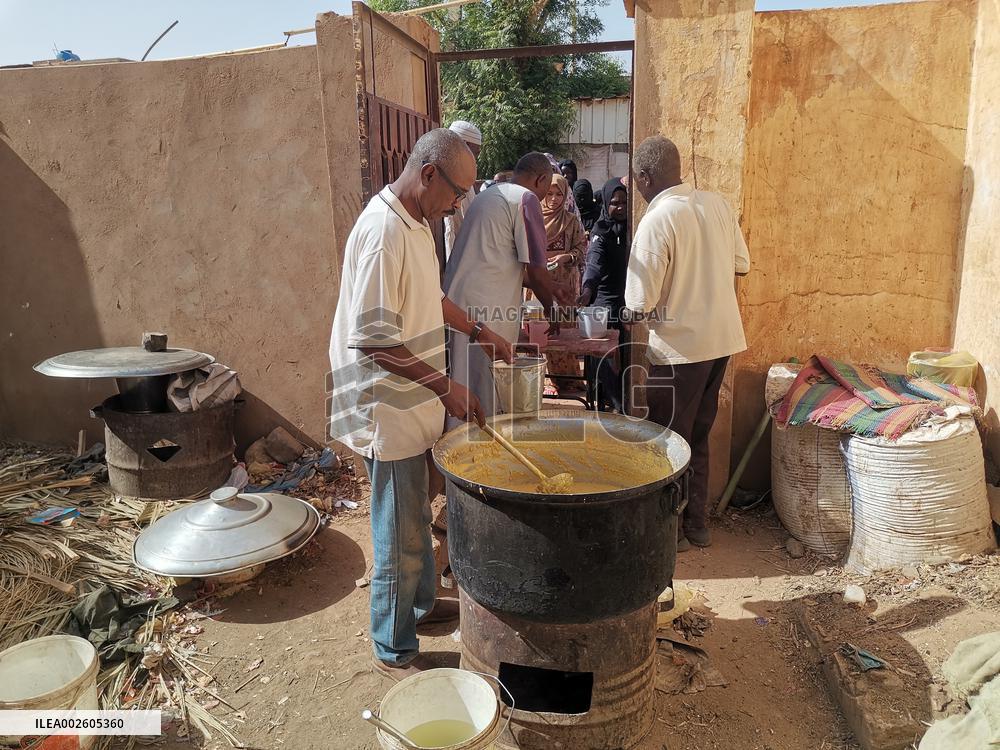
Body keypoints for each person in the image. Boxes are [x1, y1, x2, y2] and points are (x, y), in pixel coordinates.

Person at [328, 129, 513, 680]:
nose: (459, 205)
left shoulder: (416, 223)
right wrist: (447, 388)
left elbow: (427, 296)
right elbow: (374, 339)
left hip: (412, 401)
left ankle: (421, 606)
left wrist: (479, 329)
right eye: (457, 193)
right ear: (428, 174)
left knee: (411, 519)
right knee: (401, 528)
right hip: (384, 408)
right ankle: (393, 647)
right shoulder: (384, 231)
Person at [624, 135, 750, 551]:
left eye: (637, 180)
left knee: (666, 441)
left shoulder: (656, 220)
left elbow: (638, 303)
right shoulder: (716, 204)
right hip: (722, 341)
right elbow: (741, 266)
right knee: (698, 433)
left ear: (644, 177)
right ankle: (697, 525)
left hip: (679, 350)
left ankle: (671, 533)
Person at [444, 152, 569, 426]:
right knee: (482, 406)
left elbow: (501, 265)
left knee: (465, 397)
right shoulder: (524, 200)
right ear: (540, 180)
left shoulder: (491, 195)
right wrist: (553, 312)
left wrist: (553, 286)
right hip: (484, 320)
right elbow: (537, 271)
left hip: (459, 310)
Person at [578, 178, 629, 411]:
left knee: (628, 356)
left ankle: (623, 401)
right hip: (605, 303)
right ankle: (609, 404)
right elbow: (594, 265)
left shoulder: (633, 229)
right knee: (605, 361)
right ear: (606, 203)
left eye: (624, 202)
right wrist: (587, 289)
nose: (620, 207)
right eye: (615, 203)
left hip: (628, 303)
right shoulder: (601, 232)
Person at [541, 172, 589, 390]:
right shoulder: (532, 219)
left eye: (558, 194)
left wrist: (566, 257)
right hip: (538, 285)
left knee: (565, 333)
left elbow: (581, 247)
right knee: (541, 332)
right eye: (549, 193)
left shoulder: (570, 221)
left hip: (564, 285)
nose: (553, 199)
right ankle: (546, 380)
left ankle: (569, 380)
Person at [444, 120, 483, 259]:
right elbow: (453, 228)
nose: (476, 159)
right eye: (475, 153)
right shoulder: (451, 176)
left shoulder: (465, 176)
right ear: (465, 146)